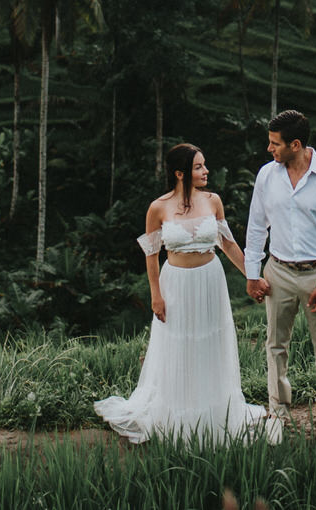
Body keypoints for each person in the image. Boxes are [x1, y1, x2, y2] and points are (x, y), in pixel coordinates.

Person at [94, 142, 265, 443]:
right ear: (180, 173)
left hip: (210, 280)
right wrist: (155, 295)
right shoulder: (158, 208)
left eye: (204, 165)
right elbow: (151, 255)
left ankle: (214, 410)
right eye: (198, 166)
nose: (205, 171)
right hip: (176, 283)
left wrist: (253, 277)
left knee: (210, 340)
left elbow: (227, 244)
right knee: (178, 343)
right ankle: (178, 411)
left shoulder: (213, 200)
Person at [244, 109, 316, 444]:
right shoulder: (267, 176)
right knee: (275, 344)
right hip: (277, 272)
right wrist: (252, 273)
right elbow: (256, 226)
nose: (269, 149)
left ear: (296, 144)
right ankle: (278, 411)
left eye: (275, 143)